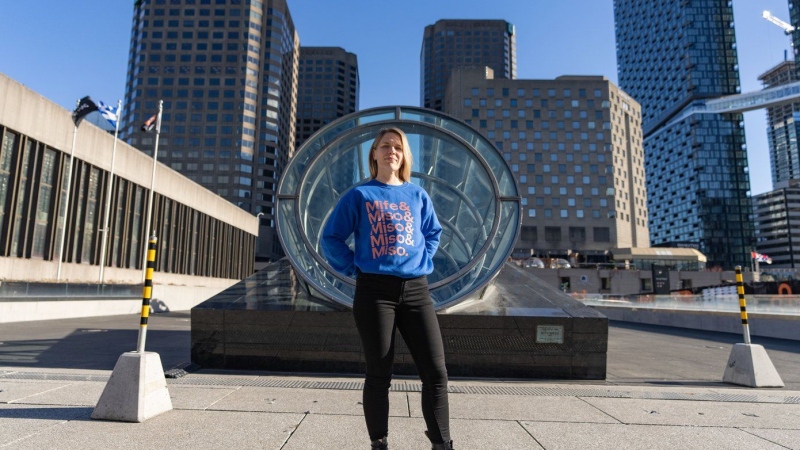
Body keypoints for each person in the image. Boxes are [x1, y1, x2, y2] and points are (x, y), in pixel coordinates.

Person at [321, 127, 453, 450]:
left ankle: (442, 443)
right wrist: (354, 266)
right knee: (379, 374)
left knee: (436, 372)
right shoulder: (360, 196)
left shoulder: (418, 195)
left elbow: (433, 232)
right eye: (385, 146)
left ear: (404, 156)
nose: (391, 151)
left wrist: (423, 256)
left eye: (397, 147)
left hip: (416, 290)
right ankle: (379, 443)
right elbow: (331, 238)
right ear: (374, 154)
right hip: (374, 293)